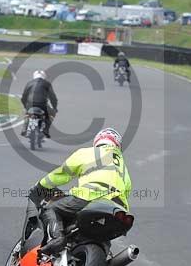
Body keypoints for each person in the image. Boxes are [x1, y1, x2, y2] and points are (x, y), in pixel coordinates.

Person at [29, 127, 132, 255]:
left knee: (51, 209)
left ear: (98, 141)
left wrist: (41, 185)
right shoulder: (123, 166)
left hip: (90, 196)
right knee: (106, 236)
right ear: (117, 145)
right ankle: (104, 255)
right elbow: (127, 190)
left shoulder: (88, 153)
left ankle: (57, 238)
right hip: (118, 208)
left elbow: (63, 173)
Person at [21, 70, 58, 138]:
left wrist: (25, 106)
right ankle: (46, 129)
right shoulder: (47, 84)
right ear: (44, 76)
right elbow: (53, 98)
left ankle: (24, 128)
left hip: (30, 104)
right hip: (42, 104)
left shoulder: (29, 83)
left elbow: (23, 97)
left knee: (26, 113)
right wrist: (55, 108)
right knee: (52, 113)